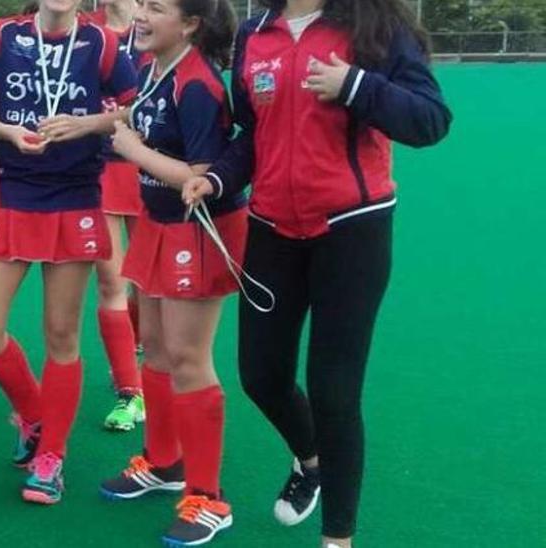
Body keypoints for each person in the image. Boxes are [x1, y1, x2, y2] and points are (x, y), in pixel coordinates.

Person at [182, 0, 451, 546]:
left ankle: (338, 538)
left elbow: (430, 120)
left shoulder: (375, 26)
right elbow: (251, 139)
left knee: (335, 391)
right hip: (272, 229)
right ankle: (311, 463)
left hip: (353, 231)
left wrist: (355, 85)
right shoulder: (256, 33)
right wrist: (216, 180)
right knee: (260, 374)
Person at [0, 0, 138, 505]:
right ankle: (36, 415)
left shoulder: (102, 44)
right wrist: (7, 131)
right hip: (13, 192)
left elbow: (137, 108)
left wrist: (84, 125)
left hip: (76, 197)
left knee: (61, 333)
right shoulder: (1, 36)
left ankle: (51, 457)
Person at [94, 0, 240, 544]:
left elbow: (199, 176)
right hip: (157, 225)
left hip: (195, 228)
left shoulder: (199, 84)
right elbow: (131, 119)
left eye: (156, 7)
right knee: (152, 347)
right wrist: (84, 125)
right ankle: (163, 462)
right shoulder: (155, 68)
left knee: (187, 358)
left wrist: (132, 151)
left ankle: (208, 496)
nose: (141, 14)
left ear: (191, 24)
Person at [90, 0, 147, 434]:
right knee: (111, 281)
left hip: (153, 168)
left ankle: (140, 343)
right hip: (100, 169)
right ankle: (130, 391)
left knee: (149, 284)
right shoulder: (85, 31)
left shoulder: (160, 25)